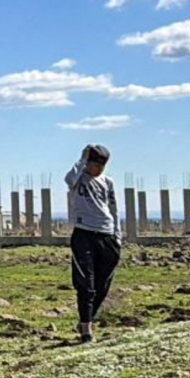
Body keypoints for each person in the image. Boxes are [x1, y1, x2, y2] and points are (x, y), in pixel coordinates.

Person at [65, 144, 121, 342]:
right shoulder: (77, 178)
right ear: (87, 162)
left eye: (102, 165)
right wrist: (81, 160)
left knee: (102, 285)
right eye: (95, 164)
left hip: (107, 235)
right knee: (85, 284)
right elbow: (68, 179)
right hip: (84, 235)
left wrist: (118, 236)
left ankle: (86, 319)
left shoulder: (108, 182)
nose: (99, 169)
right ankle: (86, 330)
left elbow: (114, 210)